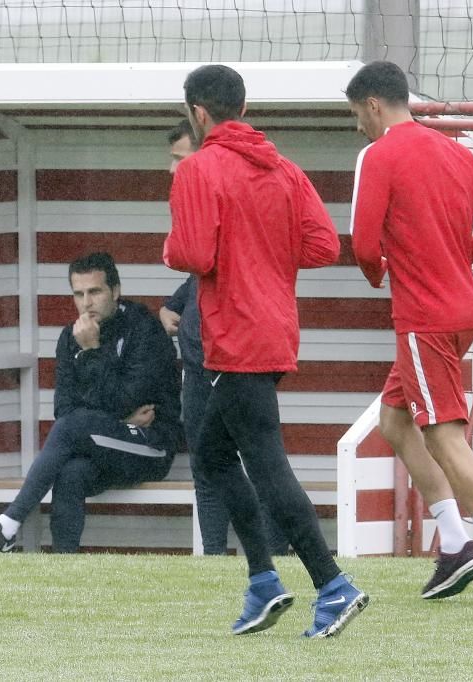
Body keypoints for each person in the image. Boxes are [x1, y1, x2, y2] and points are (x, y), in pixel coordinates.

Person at [164, 64, 369, 638]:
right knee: (210, 457)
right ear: (242, 109)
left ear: (198, 115)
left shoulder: (198, 169)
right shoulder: (283, 169)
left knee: (266, 463)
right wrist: (263, 254)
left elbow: (193, 254)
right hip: (274, 332)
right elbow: (323, 245)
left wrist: (184, 248)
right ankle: (262, 582)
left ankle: (333, 585)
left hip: (233, 338)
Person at [346, 60, 473, 606]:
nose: (358, 128)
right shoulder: (457, 150)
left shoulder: (378, 154)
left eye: (356, 117)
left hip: (423, 317)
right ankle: (456, 546)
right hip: (461, 309)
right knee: (394, 421)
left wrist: (382, 272)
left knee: (442, 433)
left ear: (371, 105)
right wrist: (454, 259)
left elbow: (365, 246)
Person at [0, 252, 181, 553]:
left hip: (151, 447)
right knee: (70, 472)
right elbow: (64, 408)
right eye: (79, 294)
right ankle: (63, 566)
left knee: (75, 426)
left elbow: (125, 398)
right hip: (105, 442)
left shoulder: (144, 330)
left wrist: (92, 351)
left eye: (95, 292)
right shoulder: (69, 337)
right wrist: (117, 420)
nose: (86, 302)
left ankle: (7, 525)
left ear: (115, 290)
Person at [160, 120, 288, 557]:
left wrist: (172, 254)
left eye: (178, 159)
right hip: (199, 357)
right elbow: (207, 266)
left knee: (257, 463)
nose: (172, 169)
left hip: (236, 355)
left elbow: (200, 255)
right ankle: (214, 555)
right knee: (208, 461)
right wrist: (175, 302)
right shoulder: (201, 190)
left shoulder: (225, 184)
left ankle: (276, 555)